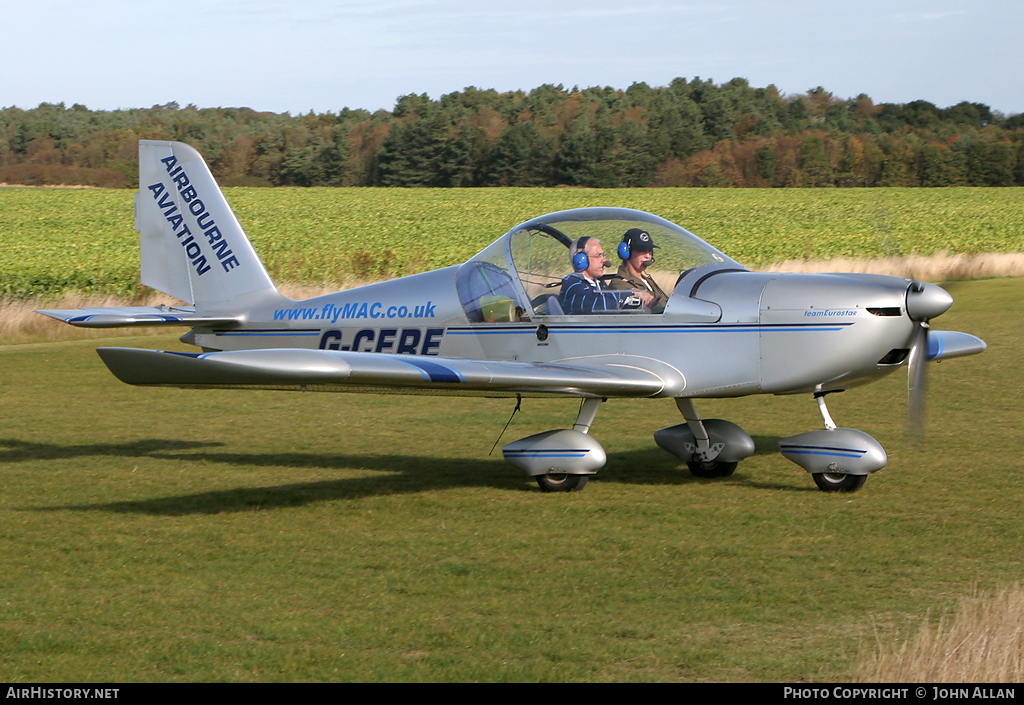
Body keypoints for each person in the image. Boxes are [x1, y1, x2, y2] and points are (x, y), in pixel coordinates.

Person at [559, 236, 651, 314]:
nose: (604, 260)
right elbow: (596, 303)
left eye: (603, 255)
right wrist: (631, 294)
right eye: (598, 255)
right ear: (581, 259)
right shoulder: (572, 285)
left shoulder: (598, 284)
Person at [607, 228, 667, 312]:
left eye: (650, 251)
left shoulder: (648, 280)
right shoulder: (619, 283)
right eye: (642, 250)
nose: (648, 256)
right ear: (626, 252)